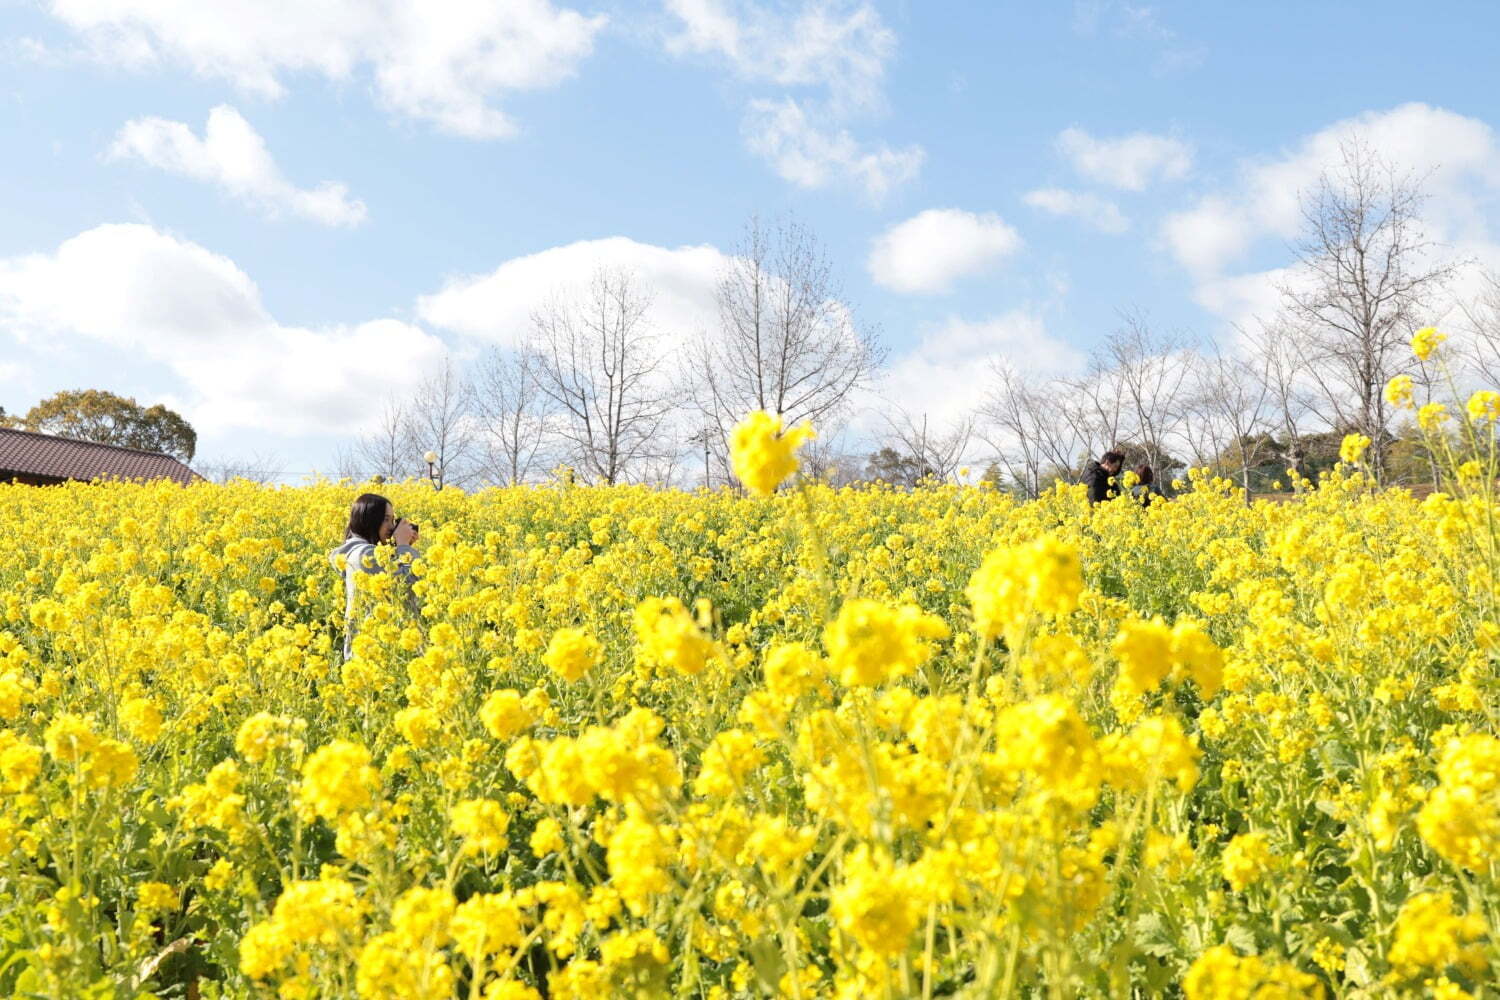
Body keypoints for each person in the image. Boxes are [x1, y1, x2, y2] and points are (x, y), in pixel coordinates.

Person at [329, 492, 420, 660]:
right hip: (372, 656)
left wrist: (401, 549)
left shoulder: (367, 552)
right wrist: (403, 547)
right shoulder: (363, 554)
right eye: (386, 519)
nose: (391, 527)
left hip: (381, 652)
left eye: (393, 520)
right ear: (369, 520)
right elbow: (407, 586)